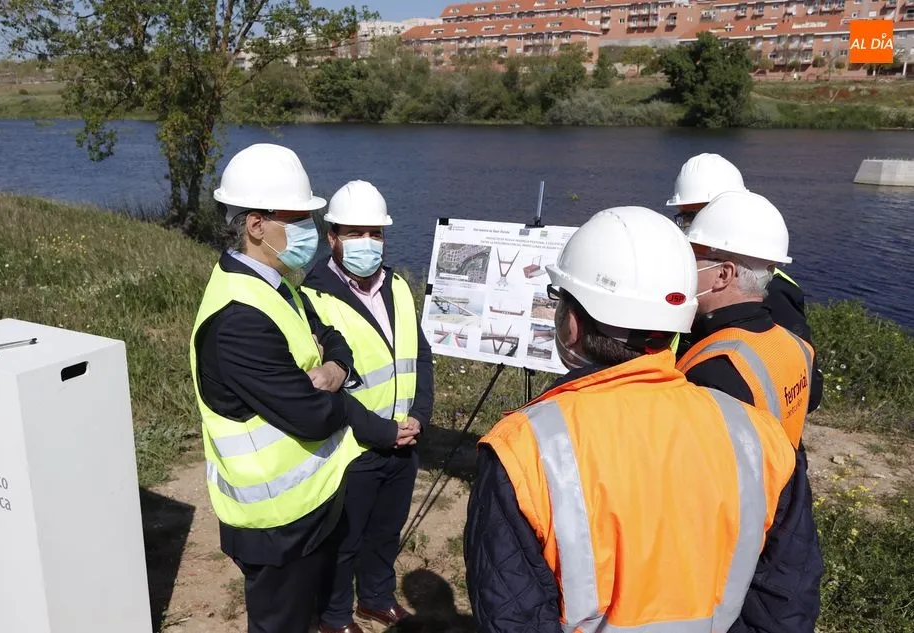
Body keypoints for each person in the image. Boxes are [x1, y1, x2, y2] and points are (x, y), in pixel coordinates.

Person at [464, 206, 800, 633]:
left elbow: (510, 616)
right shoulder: (763, 439)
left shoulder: (523, 449)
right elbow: (784, 602)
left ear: (572, 323)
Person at [189, 144, 416, 633]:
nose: (308, 231)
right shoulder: (238, 318)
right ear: (256, 225)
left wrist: (332, 369)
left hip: (305, 505)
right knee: (280, 624)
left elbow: (335, 344)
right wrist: (332, 386)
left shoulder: (278, 283)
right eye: (298, 218)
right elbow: (314, 414)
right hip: (273, 522)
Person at [677, 190, 823, 633]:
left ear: (722, 273)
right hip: (785, 535)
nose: (684, 267)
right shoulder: (792, 344)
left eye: (693, 256)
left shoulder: (715, 369)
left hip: (739, 570)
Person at [301, 180, 434, 633]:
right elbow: (325, 387)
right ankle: (333, 617)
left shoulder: (397, 284)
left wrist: (421, 412)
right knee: (344, 540)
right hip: (352, 447)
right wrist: (379, 431)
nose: (367, 243)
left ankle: (375, 599)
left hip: (403, 440)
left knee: (385, 531)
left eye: (375, 233)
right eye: (355, 233)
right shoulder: (311, 298)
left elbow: (420, 354)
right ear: (332, 236)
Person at [665, 153, 816, 355]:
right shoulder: (696, 269)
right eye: (684, 216)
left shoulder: (775, 290)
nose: (688, 228)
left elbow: (792, 364)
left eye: (692, 216)